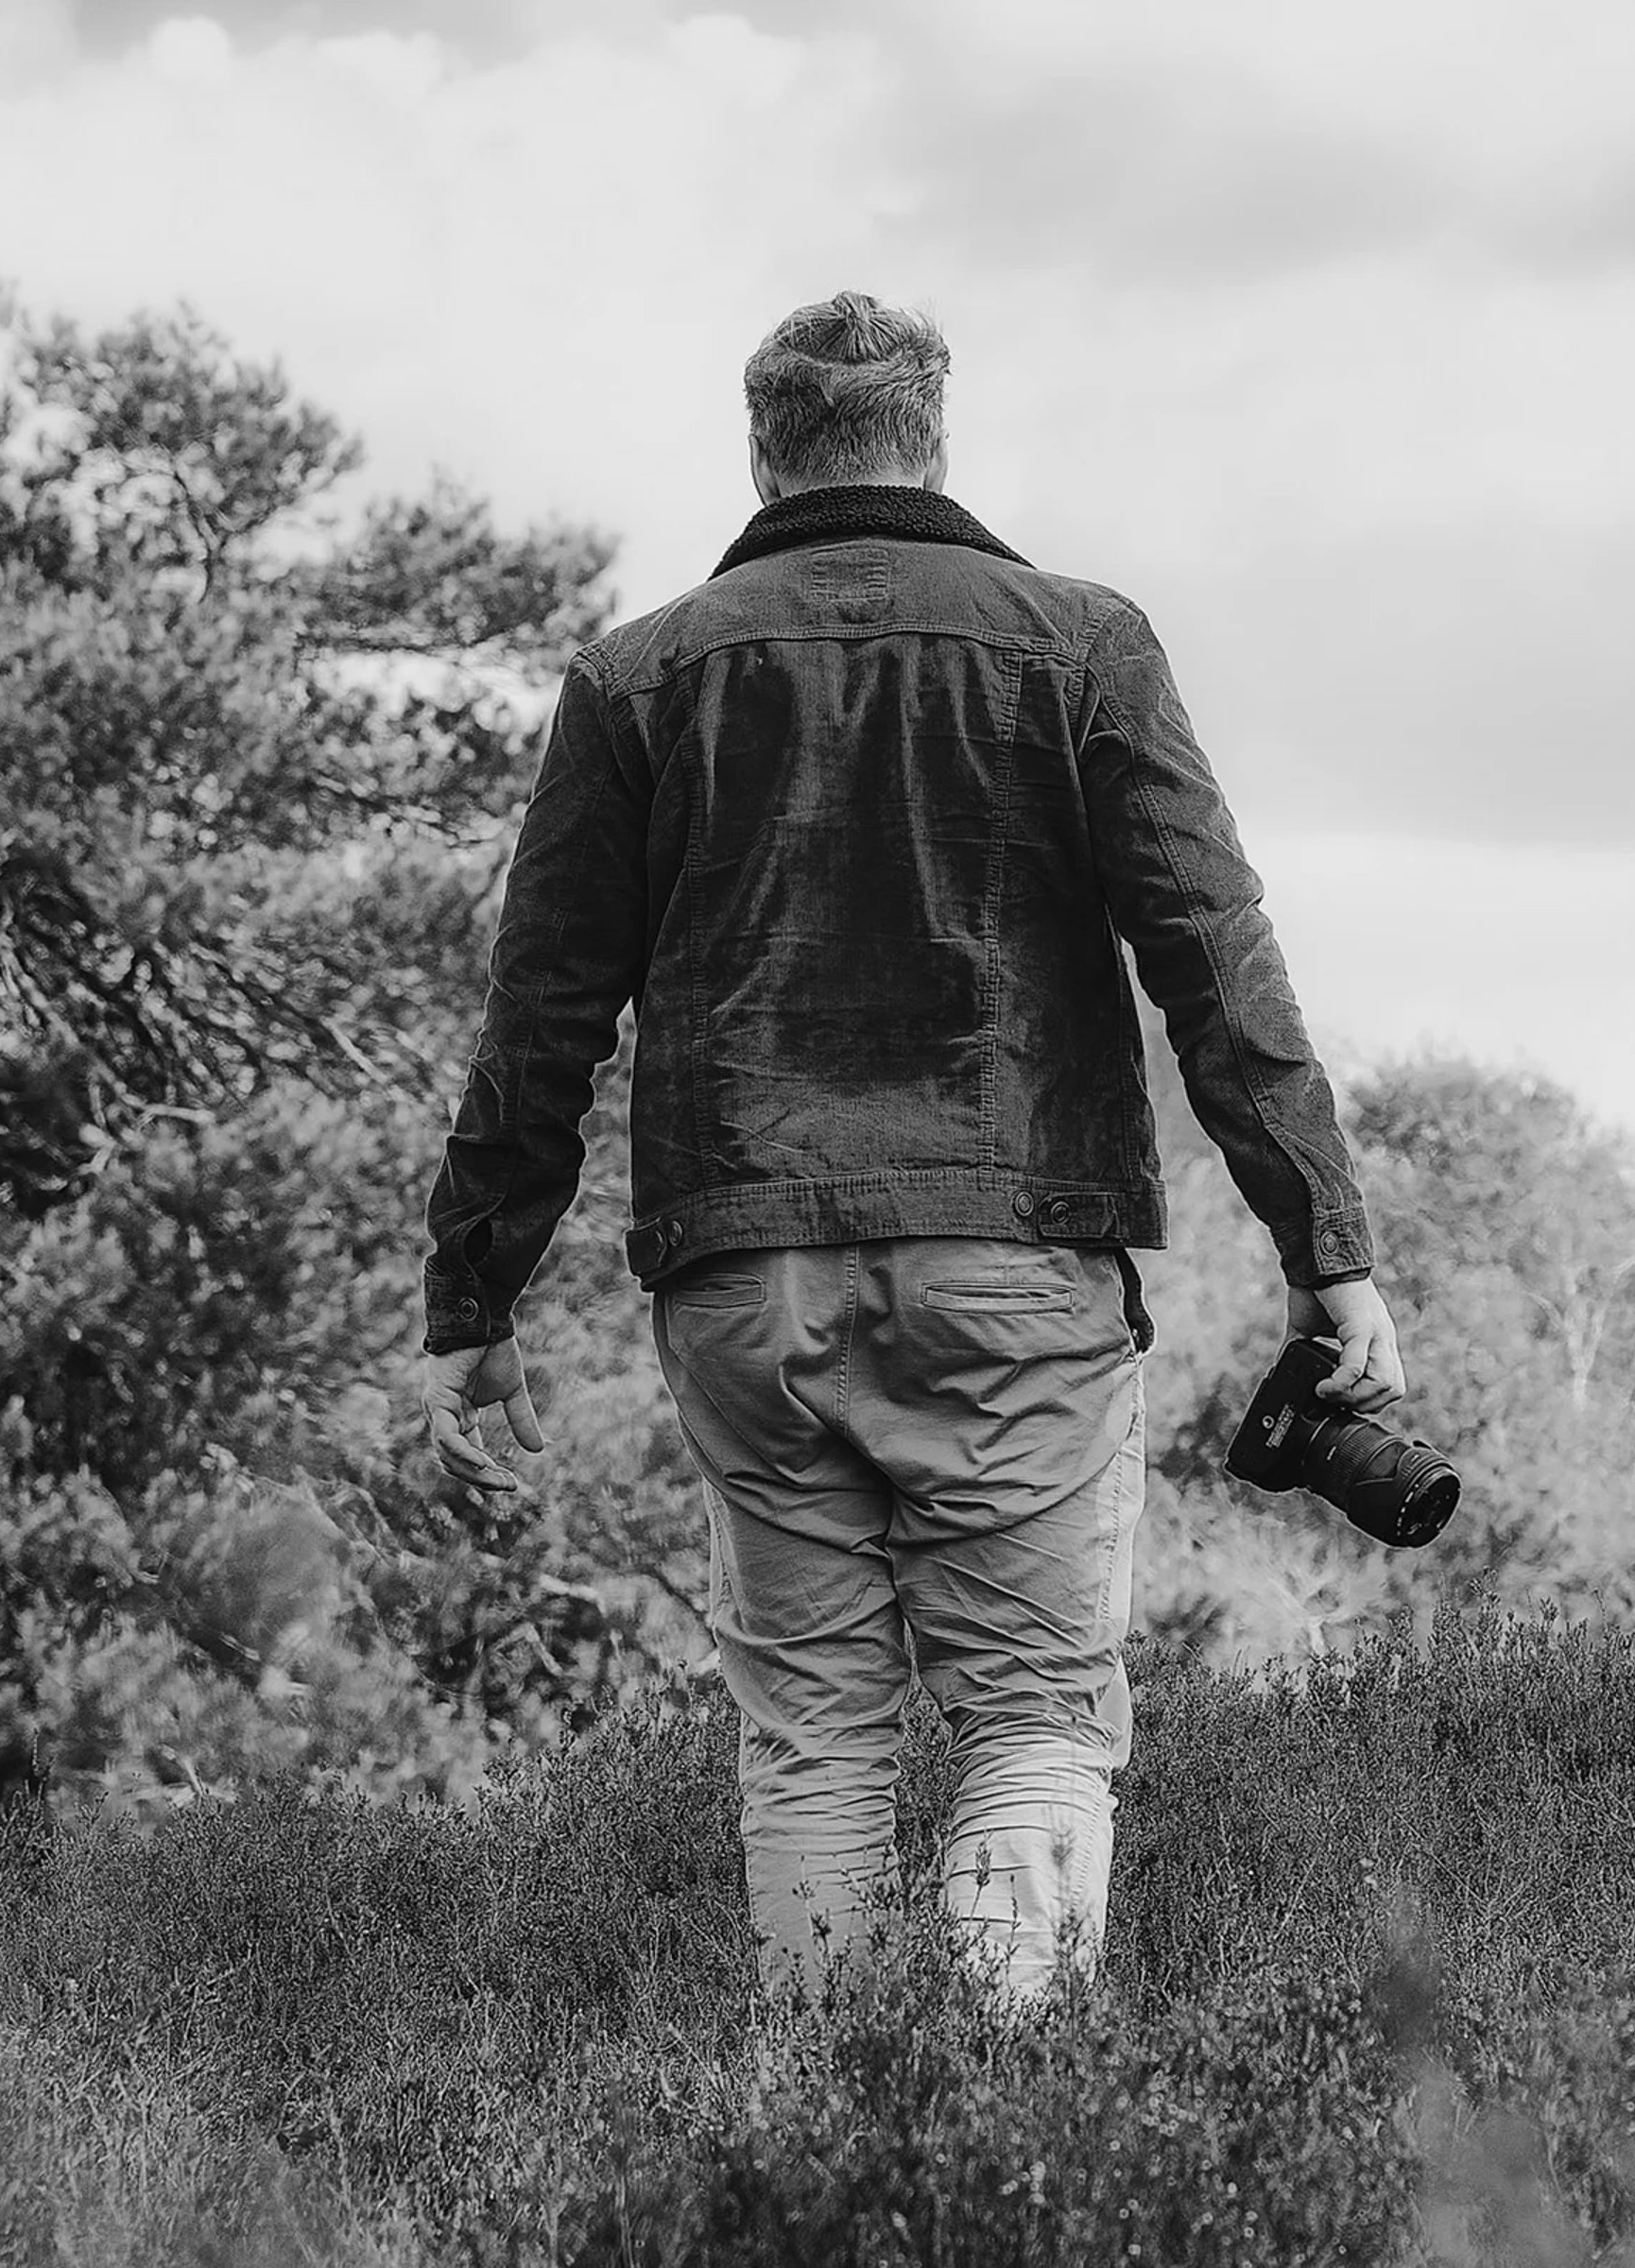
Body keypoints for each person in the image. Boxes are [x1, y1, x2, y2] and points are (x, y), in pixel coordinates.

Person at [421, 290, 1404, 2000]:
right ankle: (1008, 2128)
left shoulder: (637, 676)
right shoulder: (1080, 644)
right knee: (1031, 1719)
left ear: (764, 452)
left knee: (812, 1737)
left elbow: (542, 1016)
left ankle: (831, 2127)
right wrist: (1326, 1247)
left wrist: (475, 1300)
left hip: (743, 1277)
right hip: (1014, 1260)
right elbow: (1214, 962)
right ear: (932, 440)